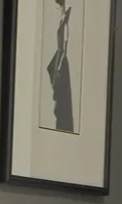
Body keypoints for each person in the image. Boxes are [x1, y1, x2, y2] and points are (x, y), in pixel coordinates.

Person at [47, 0, 75, 132]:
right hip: (59, 58)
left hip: (62, 60)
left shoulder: (66, 17)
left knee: (62, 97)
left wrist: (59, 64)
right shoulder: (61, 17)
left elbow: (66, 42)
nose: (57, 8)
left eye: (58, 6)